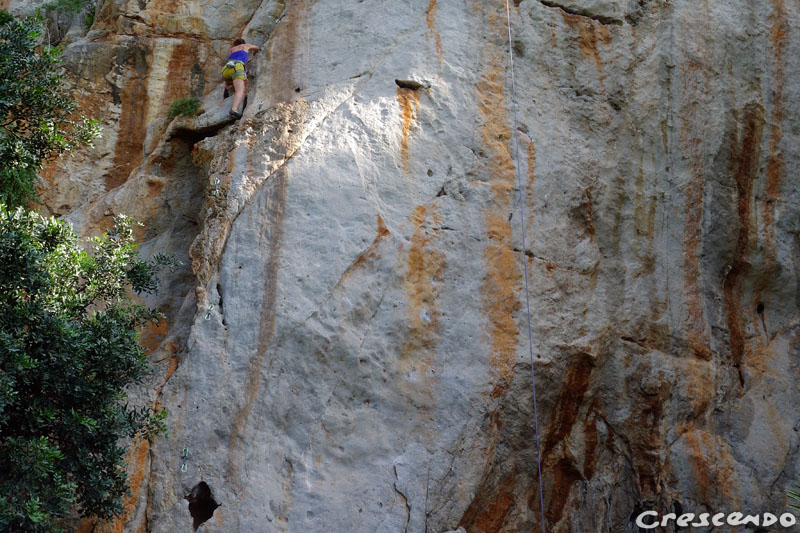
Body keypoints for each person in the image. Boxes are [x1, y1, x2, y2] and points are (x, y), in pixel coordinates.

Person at [222, 38, 259, 118]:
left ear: (235, 44)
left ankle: (227, 86)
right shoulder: (245, 46)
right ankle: (234, 109)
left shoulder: (231, 49)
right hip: (237, 67)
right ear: (243, 43)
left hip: (226, 69)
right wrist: (254, 52)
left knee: (239, 80)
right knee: (240, 90)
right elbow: (257, 48)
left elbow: (233, 58)